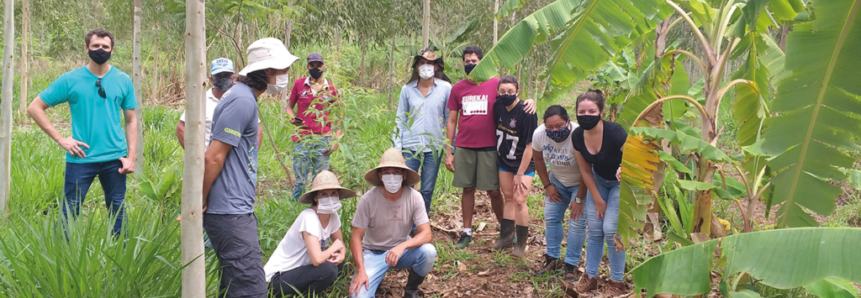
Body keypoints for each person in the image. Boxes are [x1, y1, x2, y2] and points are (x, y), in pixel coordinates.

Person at [202, 37, 298, 298]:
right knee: (252, 289)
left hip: (235, 209)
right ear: (268, 71)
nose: (286, 75)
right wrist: (200, 199)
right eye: (283, 69)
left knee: (234, 286)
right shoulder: (241, 101)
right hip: (229, 213)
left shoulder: (243, 97)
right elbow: (213, 157)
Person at [27, 29, 137, 236]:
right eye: (95, 46)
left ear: (112, 49)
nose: (100, 50)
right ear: (86, 48)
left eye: (105, 47)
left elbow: (131, 119)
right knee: (69, 211)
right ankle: (62, 257)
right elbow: (34, 107)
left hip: (115, 158)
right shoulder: (71, 79)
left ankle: (122, 257)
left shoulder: (123, 79)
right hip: (81, 157)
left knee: (118, 211)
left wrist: (131, 157)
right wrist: (61, 139)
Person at [444, 46, 536, 248]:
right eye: (467, 61)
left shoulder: (495, 84)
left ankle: (507, 232)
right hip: (465, 146)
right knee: (467, 189)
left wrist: (531, 101)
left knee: (494, 191)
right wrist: (448, 150)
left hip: (490, 146)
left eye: (474, 61)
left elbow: (512, 97)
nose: (470, 64)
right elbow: (451, 121)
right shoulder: (457, 89)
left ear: (482, 62)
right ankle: (467, 232)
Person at [349, 148, 436, 298]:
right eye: (387, 172)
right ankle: (373, 276)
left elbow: (426, 233)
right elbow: (356, 237)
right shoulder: (368, 199)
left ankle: (411, 289)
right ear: (380, 175)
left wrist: (402, 246)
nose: (392, 176)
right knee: (358, 296)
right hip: (373, 252)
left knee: (428, 252)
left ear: (404, 174)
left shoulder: (414, 197)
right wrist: (361, 271)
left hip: (401, 252)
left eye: (396, 172)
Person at [571, 89, 629, 296]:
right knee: (595, 229)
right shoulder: (577, 135)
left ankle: (616, 281)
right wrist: (597, 199)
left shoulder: (615, 132)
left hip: (621, 182)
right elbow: (585, 170)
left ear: (601, 112)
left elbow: (634, 157)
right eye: (582, 111)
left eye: (592, 111)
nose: (586, 115)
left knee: (611, 229)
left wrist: (626, 167)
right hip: (598, 181)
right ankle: (591, 276)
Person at [264, 171, 353, 297]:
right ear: (316, 198)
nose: (330, 198)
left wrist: (342, 254)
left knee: (340, 266)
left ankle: (306, 292)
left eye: (333, 193)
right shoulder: (309, 218)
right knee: (329, 270)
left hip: (302, 270)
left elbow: (340, 244)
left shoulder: (333, 216)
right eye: (324, 194)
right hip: (278, 278)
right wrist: (333, 248)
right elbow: (317, 260)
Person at [394, 48, 452, 216]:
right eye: (422, 63)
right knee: (406, 187)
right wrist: (397, 147)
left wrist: (450, 150)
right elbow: (401, 118)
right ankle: (404, 224)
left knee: (427, 188)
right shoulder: (407, 89)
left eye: (430, 63)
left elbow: (449, 119)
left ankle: (420, 224)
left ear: (436, 67)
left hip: (433, 147)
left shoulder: (446, 88)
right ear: (417, 66)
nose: (426, 66)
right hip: (410, 146)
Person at [532, 105, 587, 280]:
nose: (554, 130)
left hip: (582, 183)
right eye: (550, 127)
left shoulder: (579, 135)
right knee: (551, 216)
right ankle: (552, 258)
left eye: (559, 125)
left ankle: (571, 264)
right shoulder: (539, 134)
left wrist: (579, 197)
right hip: (557, 181)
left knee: (577, 222)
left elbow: (588, 169)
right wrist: (547, 185)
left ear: (568, 122)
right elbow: (538, 158)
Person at [490, 76, 537, 257]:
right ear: (498, 92)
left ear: (517, 92)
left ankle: (522, 244)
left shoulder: (527, 112)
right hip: (504, 161)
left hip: (522, 163)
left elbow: (529, 146)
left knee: (519, 200)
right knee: (508, 197)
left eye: (510, 91)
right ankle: (506, 238)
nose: (506, 94)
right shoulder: (498, 106)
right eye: (503, 91)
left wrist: (520, 173)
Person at [286, 52, 343, 201]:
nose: (315, 68)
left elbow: (339, 116)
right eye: (312, 65)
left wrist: (336, 141)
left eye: (318, 65)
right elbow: (289, 107)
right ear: (307, 66)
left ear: (324, 67)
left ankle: (318, 206)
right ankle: (295, 207)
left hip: (322, 140)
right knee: (300, 179)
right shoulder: (299, 84)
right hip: (302, 139)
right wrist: (292, 118)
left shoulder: (331, 88)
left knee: (320, 180)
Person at [176, 58, 262, 149]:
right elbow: (181, 127)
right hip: (207, 159)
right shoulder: (200, 101)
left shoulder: (242, 100)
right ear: (211, 80)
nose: (223, 79)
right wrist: (197, 157)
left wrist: (250, 156)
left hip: (234, 161)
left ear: (233, 78)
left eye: (226, 75)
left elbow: (258, 130)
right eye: (219, 76)